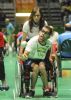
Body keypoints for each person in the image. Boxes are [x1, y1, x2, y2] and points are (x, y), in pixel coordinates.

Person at [18, 25, 53, 97]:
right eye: (42, 31)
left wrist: (51, 57)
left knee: (42, 67)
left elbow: (49, 53)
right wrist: (23, 57)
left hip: (41, 60)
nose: (43, 34)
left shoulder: (49, 43)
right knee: (36, 68)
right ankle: (32, 90)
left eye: (46, 33)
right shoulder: (32, 41)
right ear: (39, 32)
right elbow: (26, 54)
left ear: (49, 36)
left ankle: (46, 90)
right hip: (30, 59)